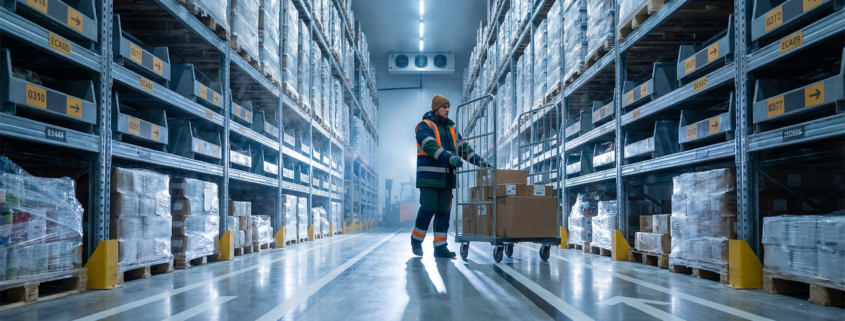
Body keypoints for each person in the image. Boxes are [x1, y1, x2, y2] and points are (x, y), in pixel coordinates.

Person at [412, 94, 491, 258]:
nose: (447, 110)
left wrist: (480, 161)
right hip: (429, 178)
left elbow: (464, 149)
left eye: (448, 107)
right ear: (435, 108)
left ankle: (440, 247)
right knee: (427, 209)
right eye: (443, 107)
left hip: (447, 179)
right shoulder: (424, 126)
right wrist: (449, 158)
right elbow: (429, 145)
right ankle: (416, 240)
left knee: (444, 213)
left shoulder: (452, 129)